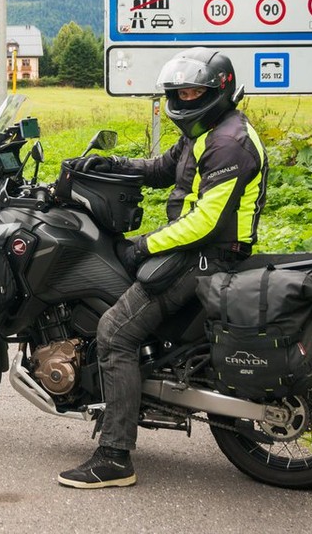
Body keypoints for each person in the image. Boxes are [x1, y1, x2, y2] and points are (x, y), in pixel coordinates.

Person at [56, 47, 268, 489]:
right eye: (179, 91)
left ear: (219, 91)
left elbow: (206, 221)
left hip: (208, 256)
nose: (184, 98)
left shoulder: (230, 142)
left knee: (114, 332)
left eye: (193, 91)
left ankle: (114, 457)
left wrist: (145, 245)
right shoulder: (207, 132)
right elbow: (162, 168)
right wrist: (112, 165)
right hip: (200, 248)